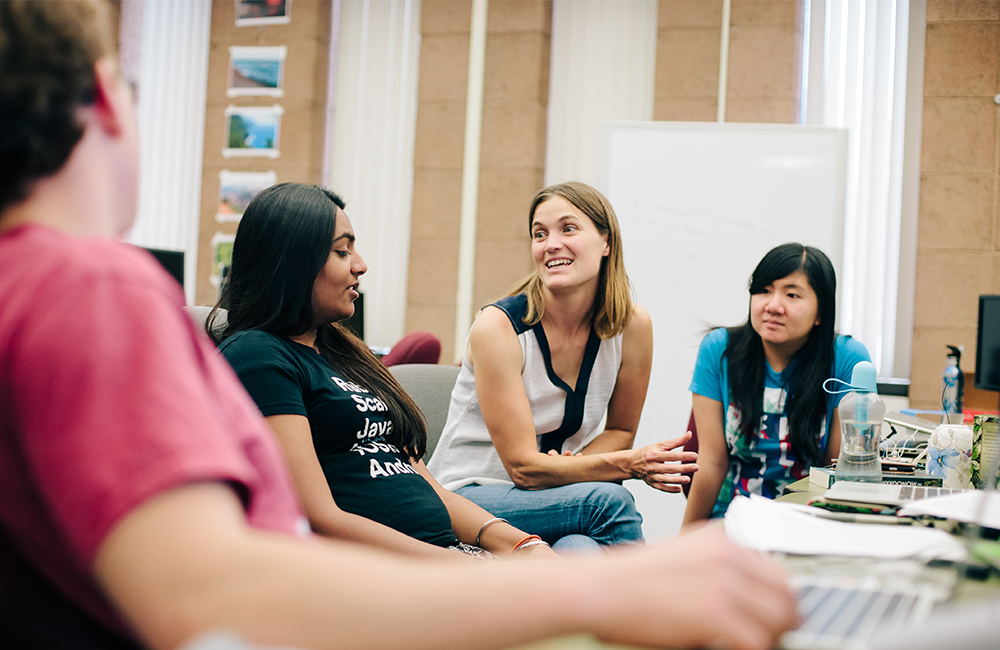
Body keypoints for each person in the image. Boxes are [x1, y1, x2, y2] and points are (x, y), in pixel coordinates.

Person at [0, 2, 798, 649]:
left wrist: (508, 552)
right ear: (107, 95)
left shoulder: (36, 285)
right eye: (342, 248)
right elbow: (212, 589)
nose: (360, 267)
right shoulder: (86, 285)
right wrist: (580, 586)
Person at [210, 182, 553, 560]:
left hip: (447, 556)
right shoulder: (258, 355)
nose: (361, 265)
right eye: (342, 251)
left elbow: (429, 488)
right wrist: (470, 571)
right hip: (381, 575)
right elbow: (317, 518)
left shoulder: (346, 353)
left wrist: (522, 544)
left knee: (570, 560)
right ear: (292, 260)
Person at [428, 182, 698, 551]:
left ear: (607, 243)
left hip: (556, 497)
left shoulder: (632, 327)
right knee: (607, 502)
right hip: (470, 497)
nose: (550, 244)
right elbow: (523, 468)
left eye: (568, 229)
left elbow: (620, 429)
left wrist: (577, 466)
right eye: (540, 234)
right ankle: (651, 604)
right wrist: (629, 465)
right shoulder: (499, 327)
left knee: (579, 549)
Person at [682, 243, 871, 525]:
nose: (773, 306)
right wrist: (687, 539)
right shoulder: (719, 350)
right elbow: (711, 462)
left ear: (821, 312)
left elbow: (839, 470)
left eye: (792, 294)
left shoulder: (848, 359)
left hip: (808, 521)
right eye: (764, 291)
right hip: (732, 520)